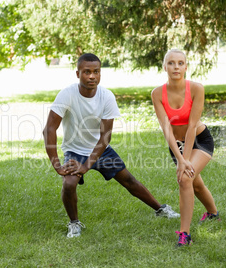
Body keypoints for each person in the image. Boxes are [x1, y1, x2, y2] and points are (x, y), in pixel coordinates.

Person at [43, 53, 179, 238]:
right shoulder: (67, 94)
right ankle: (74, 224)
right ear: (78, 74)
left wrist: (86, 166)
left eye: (96, 72)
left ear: (100, 73)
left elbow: (104, 138)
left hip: (101, 150)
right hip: (74, 150)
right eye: (87, 72)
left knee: (129, 181)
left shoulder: (106, 96)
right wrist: (57, 165)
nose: (92, 76)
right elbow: (49, 129)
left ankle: (161, 209)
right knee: (69, 183)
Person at [151, 49, 220, 247]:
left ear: (186, 67)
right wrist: (180, 158)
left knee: (185, 178)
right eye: (171, 63)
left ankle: (185, 234)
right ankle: (213, 213)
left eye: (180, 63)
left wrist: (185, 160)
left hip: (200, 141)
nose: (176, 67)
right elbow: (166, 129)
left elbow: (191, 126)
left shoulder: (197, 89)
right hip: (176, 144)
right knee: (195, 184)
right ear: (165, 67)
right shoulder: (157, 94)